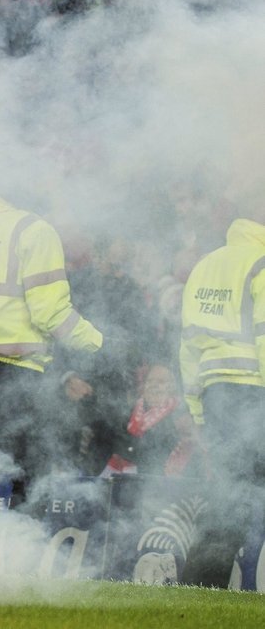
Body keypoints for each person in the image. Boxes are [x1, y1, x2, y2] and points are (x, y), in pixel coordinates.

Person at [0, 190, 103, 494]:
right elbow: (50, 312)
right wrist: (99, 344)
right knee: (25, 486)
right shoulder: (34, 229)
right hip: (22, 379)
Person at [179, 215, 265, 586]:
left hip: (216, 391)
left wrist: (197, 410)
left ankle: (200, 583)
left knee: (228, 495)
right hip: (254, 389)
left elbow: (187, 345)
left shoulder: (205, 265)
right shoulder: (260, 262)